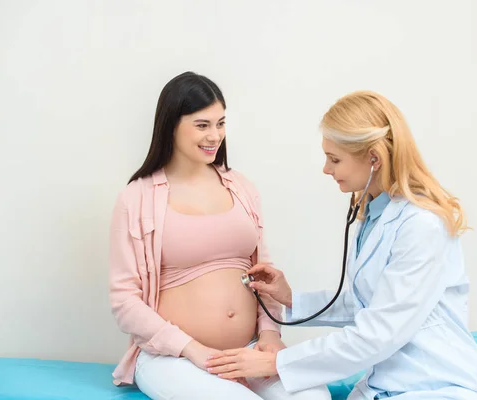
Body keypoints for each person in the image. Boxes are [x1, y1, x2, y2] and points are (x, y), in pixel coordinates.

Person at [205, 90, 477, 400]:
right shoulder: (375, 213)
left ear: (374, 158)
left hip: (438, 384)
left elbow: (378, 332)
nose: (326, 169)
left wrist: (277, 362)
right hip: (389, 383)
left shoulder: (422, 225)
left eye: (334, 159)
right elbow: (368, 303)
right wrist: (292, 299)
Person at [108, 71, 331, 400]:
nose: (215, 136)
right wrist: (193, 349)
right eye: (202, 125)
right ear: (171, 124)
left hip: (249, 349)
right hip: (174, 357)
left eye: (221, 123)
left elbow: (263, 272)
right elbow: (124, 300)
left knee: (315, 398)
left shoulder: (240, 186)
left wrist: (269, 334)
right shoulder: (137, 198)